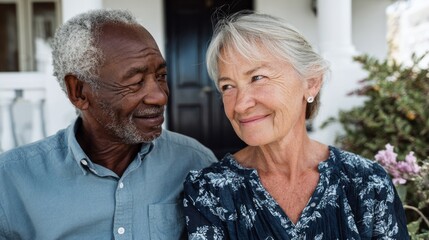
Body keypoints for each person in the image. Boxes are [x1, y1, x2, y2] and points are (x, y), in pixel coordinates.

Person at [183, 11, 410, 239]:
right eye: (227, 86)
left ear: (311, 82)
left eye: (257, 78)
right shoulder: (210, 191)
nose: (240, 105)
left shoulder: (367, 184)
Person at [0, 9, 217, 239]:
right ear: (79, 92)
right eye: (136, 82)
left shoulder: (195, 162)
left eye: (161, 76)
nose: (160, 96)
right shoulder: (11, 180)